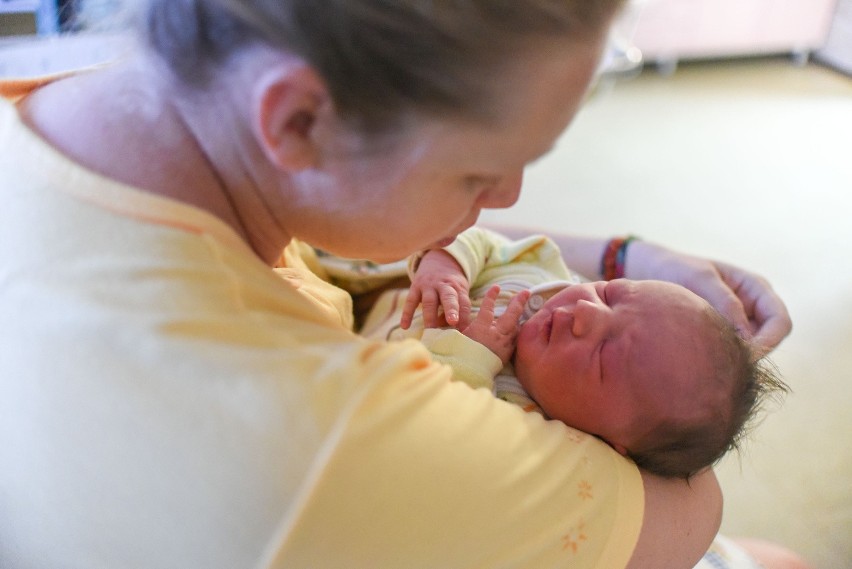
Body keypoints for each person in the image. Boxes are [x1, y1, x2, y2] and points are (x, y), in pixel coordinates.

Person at [0, 1, 796, 568]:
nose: (510, 196)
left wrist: (630, 259)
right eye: (479, 170)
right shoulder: (331, 438)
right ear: (302, 123)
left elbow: (374, 232)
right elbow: (690, 517)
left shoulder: (98, 113)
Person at [377, 226, 789, 480]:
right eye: (611, 292)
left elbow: (435, 432)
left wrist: (471, 358)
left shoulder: (528, 429)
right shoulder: (541, 273)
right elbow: (482, 239)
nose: (586, 311)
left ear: (609, 444)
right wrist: (446, 264)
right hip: (368, 286)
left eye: (604, 357)